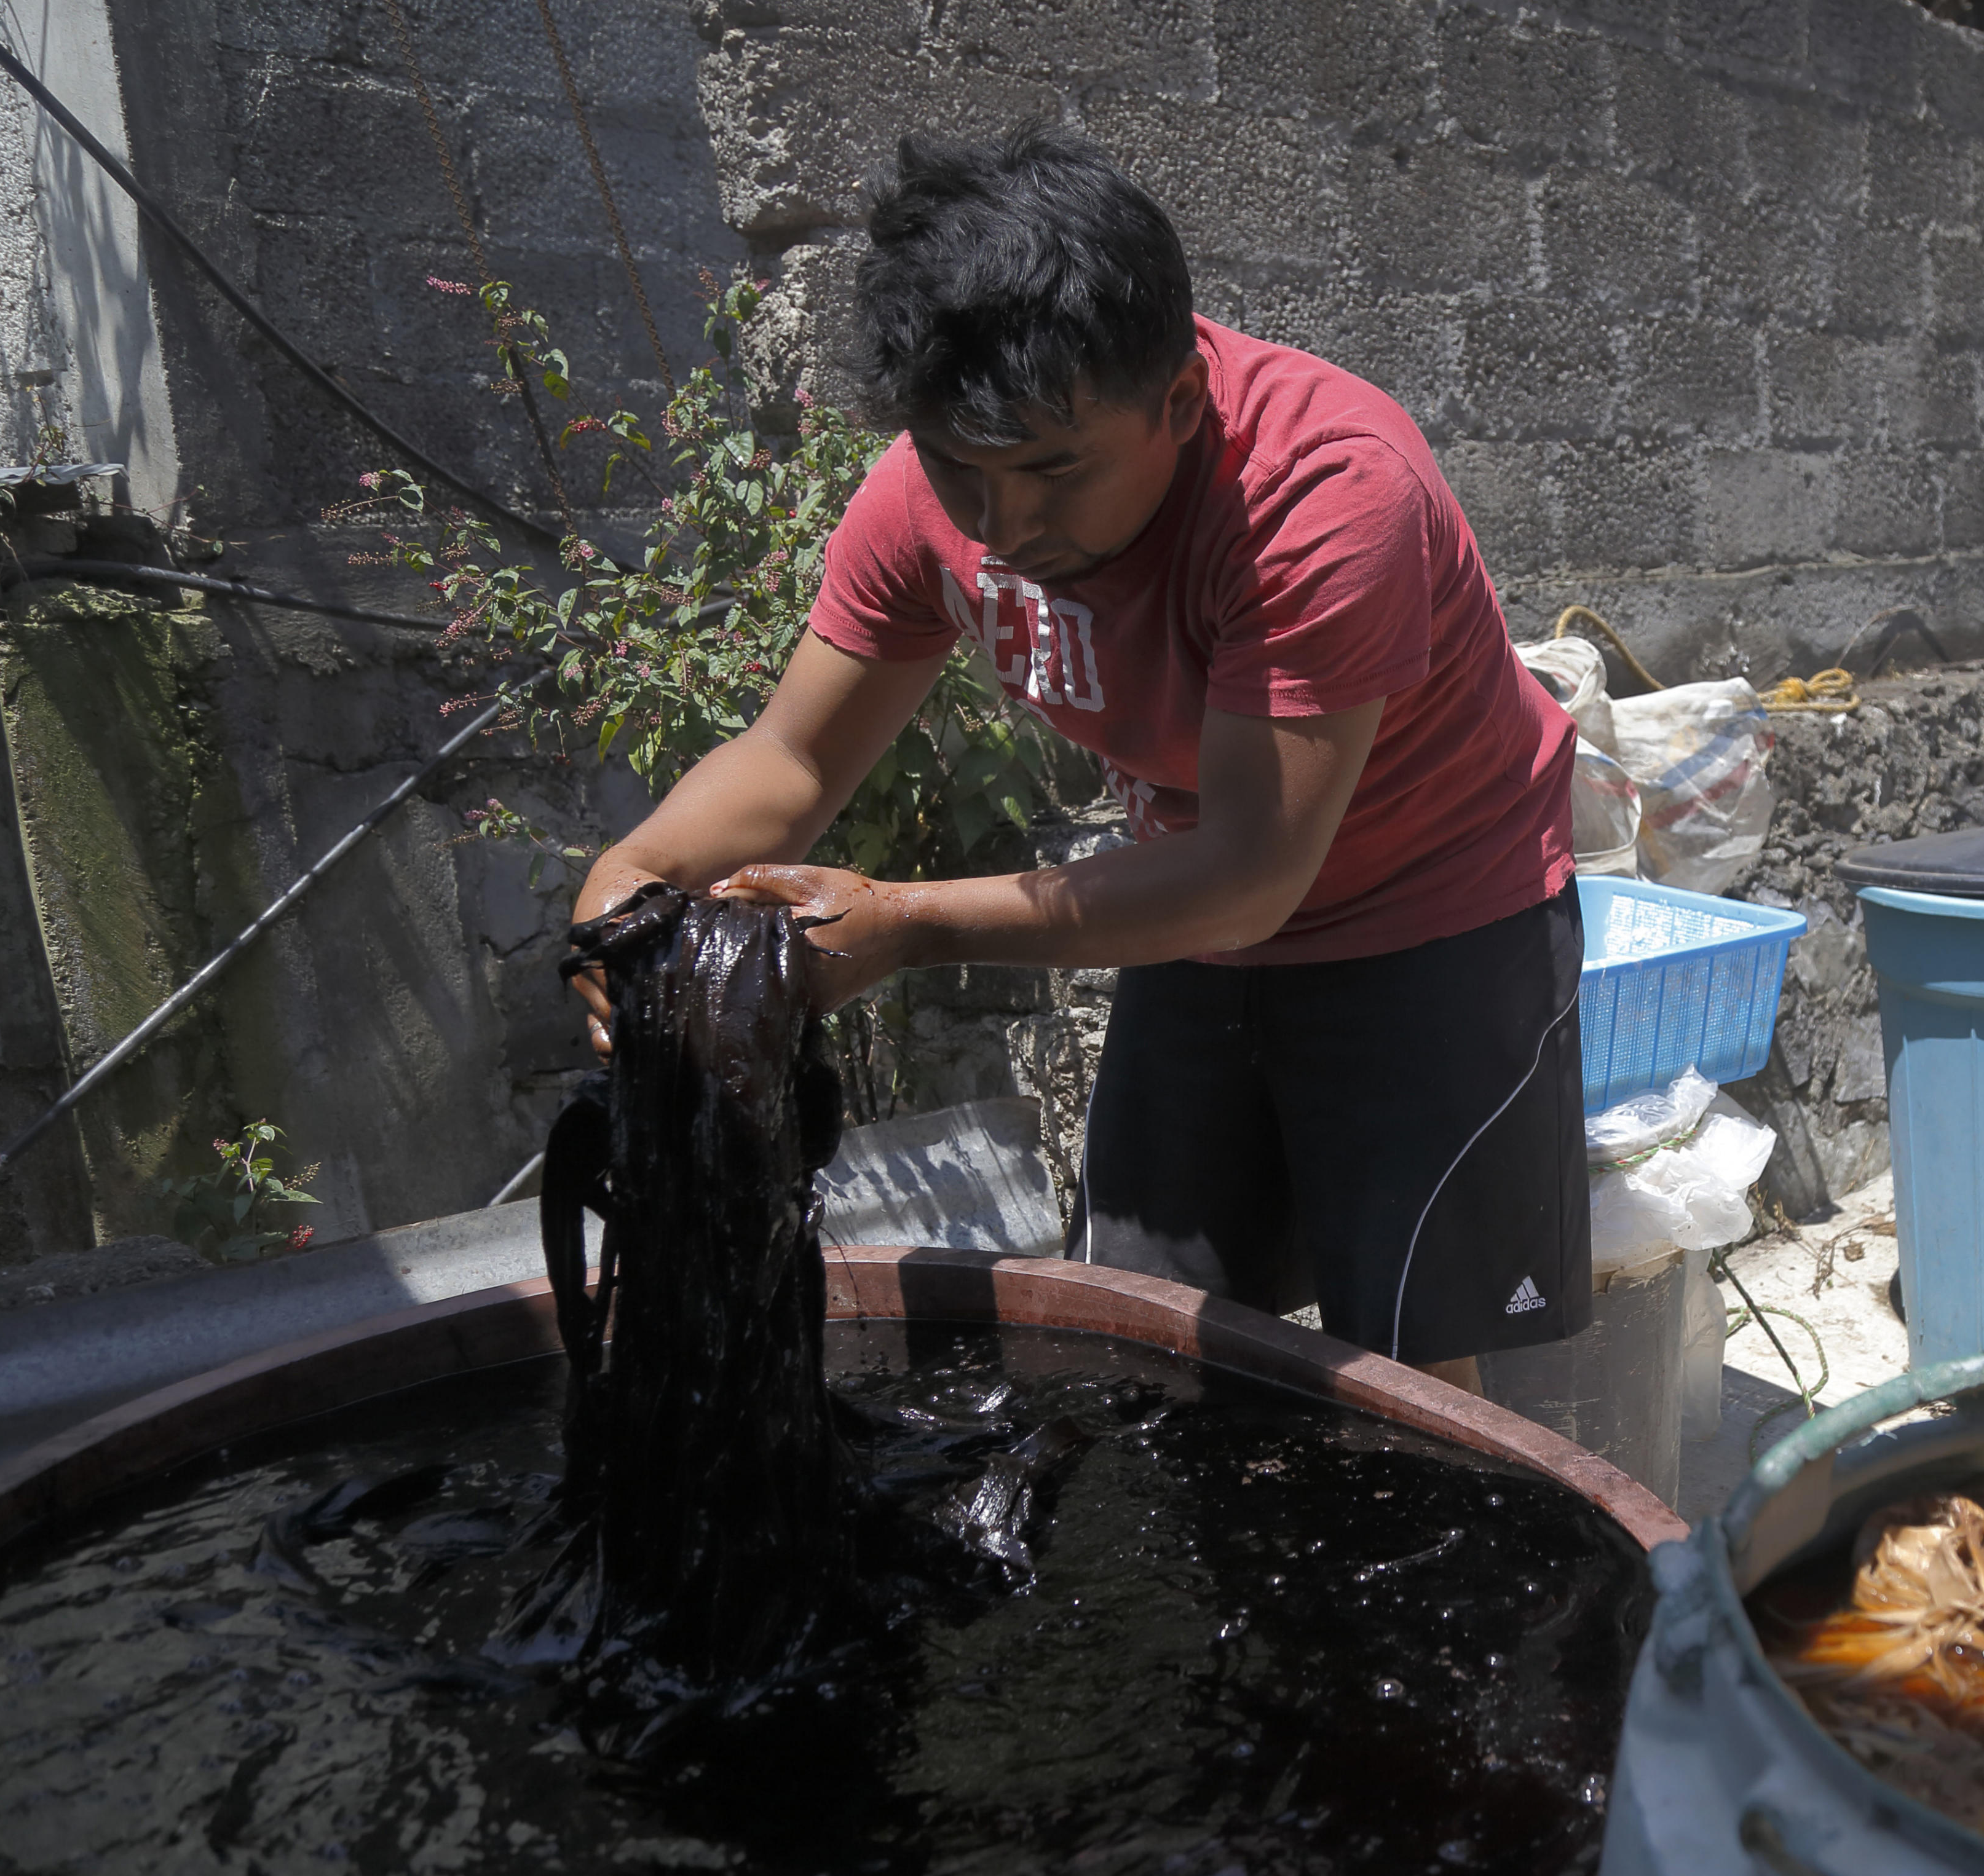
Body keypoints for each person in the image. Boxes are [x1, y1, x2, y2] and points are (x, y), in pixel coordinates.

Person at [570, 128, 1588, 1390]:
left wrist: (907, 923)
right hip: (1197, 905)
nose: (1005, 526)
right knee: (1146, 1326)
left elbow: (1250, 872)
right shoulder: (927, 496)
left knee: (1408, 1374)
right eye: (961, 470)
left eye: (1056, 472)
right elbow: (791, 757)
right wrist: (635, 875)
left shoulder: (1322, 490)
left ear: (1174, 402)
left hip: (1431, 917)